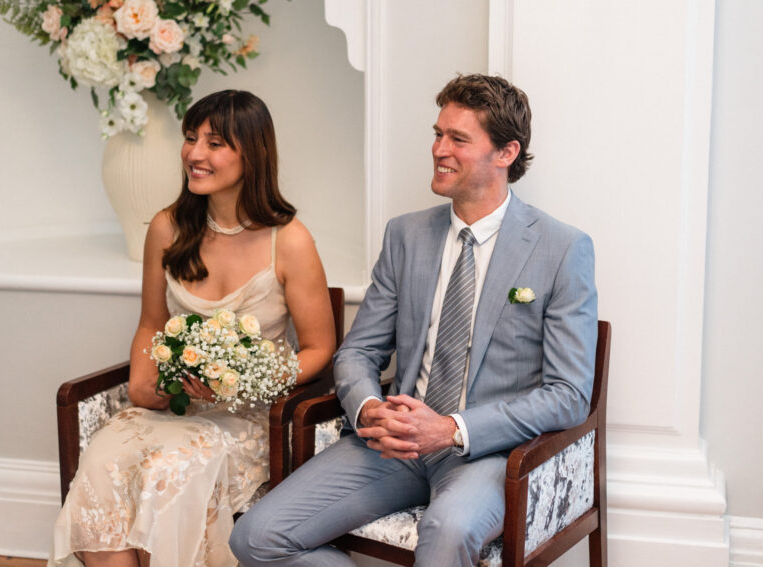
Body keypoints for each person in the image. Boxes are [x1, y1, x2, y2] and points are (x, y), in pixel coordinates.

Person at [230, 74, 598, 567]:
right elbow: (359, 352)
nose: (438, 149)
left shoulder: (562, 249)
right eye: (438, 133)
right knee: (256, 536)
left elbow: (569, 394)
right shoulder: (406, 236)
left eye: (458, 139)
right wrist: (367, 410)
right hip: (395, 444)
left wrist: (451, 429)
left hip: (489, 453)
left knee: (447, 533)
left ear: (506, 153)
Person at [50, 90, 336, 567]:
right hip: (173, 411)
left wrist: (249, 379)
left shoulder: (289, 240)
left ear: (254, 154)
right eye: (190, 138)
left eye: (216, 142)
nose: (195, 154)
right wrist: (147, 386)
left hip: (247, 420)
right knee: (103, 458)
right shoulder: (167, 227)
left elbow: (319, 348)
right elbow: (151, 323)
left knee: (171, 470)